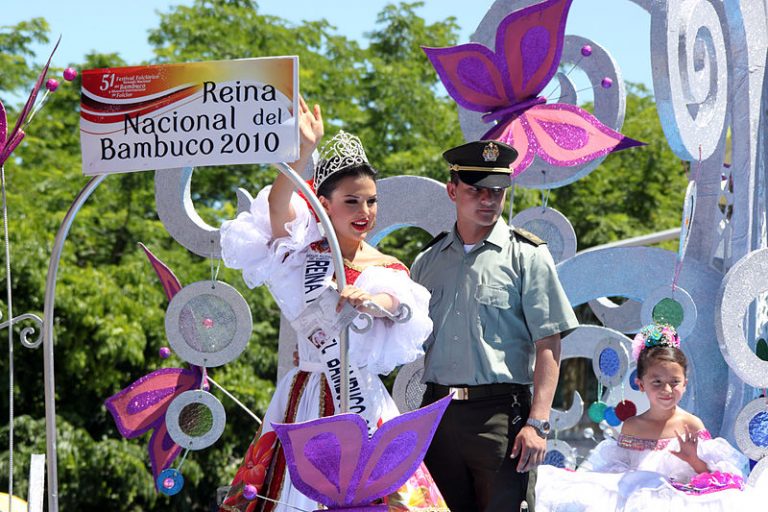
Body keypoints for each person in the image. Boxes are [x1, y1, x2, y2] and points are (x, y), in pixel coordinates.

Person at [217, 99, 448, 512]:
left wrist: (371, 302)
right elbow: (276, 207)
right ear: (324, 204)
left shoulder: (387, 267)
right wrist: (303, 153)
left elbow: (397, 304)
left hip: (362, 401)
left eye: (371, 201)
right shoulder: (302, 254)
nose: (365, 212)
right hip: (304, 395)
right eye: (352, 201)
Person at [412, 140, 579, 512]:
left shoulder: (528, 255)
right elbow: (405, 342)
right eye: (476, 190)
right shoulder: (427, 262)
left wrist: (538, 423)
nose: (488, 200)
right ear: (452, 190)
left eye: (497, 191)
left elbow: (549, 344)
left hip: (501, 417)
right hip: (438, 413)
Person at [536, 323, 765, 511]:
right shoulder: (633, 425)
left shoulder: (690, 424)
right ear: (641, 384)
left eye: (674, 382)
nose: (666, 390)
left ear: (684, 383)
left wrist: (692, 458)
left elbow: (715, 477)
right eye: (657, 382)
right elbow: (615, 472)